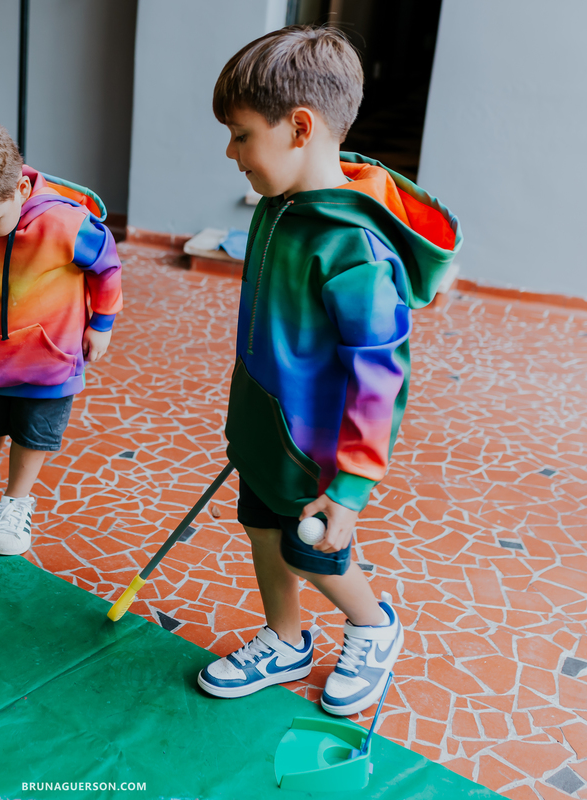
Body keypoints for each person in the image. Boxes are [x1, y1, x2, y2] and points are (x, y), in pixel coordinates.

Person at [197, 26, 461, 716]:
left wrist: (348, 489)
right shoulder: (281, 204)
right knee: (259, 526)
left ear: (300, 128)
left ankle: (374, 626)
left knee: (315, 553)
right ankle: (285, 640)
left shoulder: (356, 249)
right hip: (266, 428)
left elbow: (382, 377)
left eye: (241, 134)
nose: (231, 152)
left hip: (317, 452)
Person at [0, 112, 123, 556]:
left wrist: (102, 323)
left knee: (33, 431)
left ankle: (16, 499)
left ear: (22, 189)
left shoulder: (66, 224)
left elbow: (107, 267)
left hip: (51, 355)